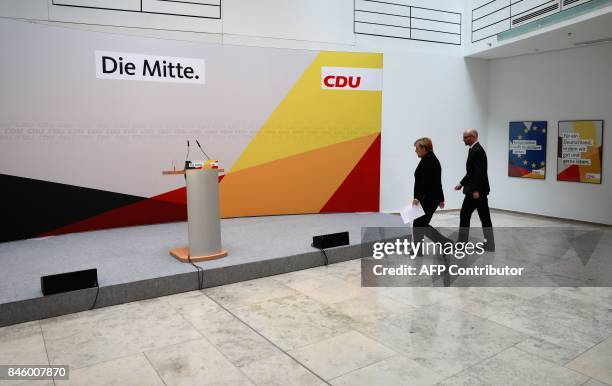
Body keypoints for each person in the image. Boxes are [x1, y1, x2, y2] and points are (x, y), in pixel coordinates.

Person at [454, 128, 495, 251]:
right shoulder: (473, 150)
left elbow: (479, 173)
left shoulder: (477, 151)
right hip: (476, 190)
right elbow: (471, 173)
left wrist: (476, 190)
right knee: (484, 217)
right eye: (464, 137)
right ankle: (489, 244)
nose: (463, 139)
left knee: (465, 215)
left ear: (473, 136)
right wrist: (461, 183)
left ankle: (462, 244)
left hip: (476, 192)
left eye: (466, 137)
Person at [412, 137, 452, 251]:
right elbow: (436, 181)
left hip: (429, 199)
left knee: (420, 224)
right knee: (419, 223)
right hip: (430, 198)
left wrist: (417, 198)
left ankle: (445, 243)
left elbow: (427, 183)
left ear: (424, 148)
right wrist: (441, 198)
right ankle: (418, 250)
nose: (415, 150)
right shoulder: (428, 159)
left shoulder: (429, 161)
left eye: (417, 148)